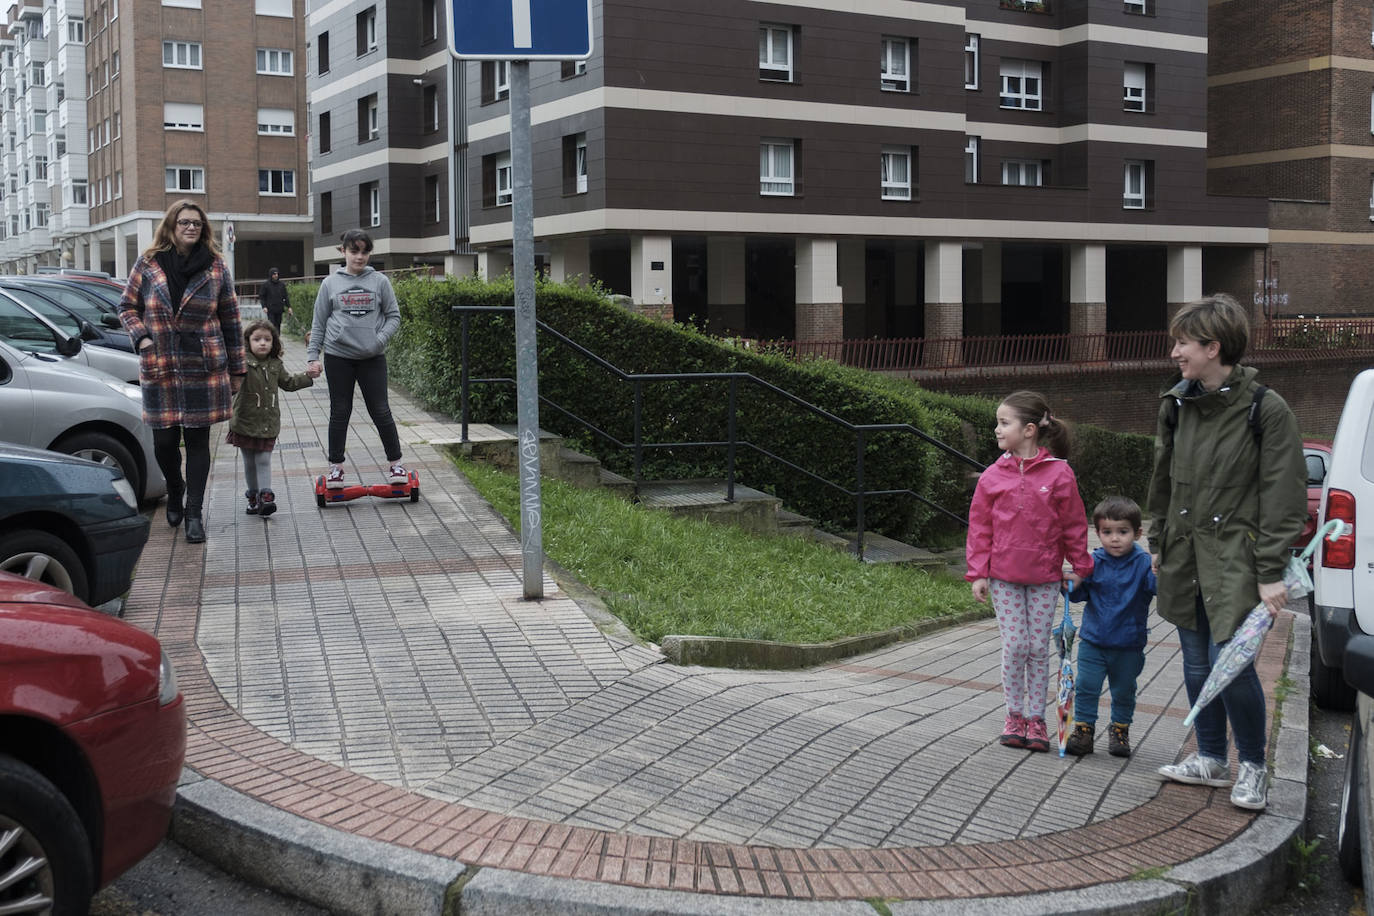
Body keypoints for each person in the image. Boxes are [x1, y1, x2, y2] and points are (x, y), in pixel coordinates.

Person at [1147, 292, 1306, 811]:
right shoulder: (1177, 403)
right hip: (1185, 554)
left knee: (1230, 665)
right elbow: (1163, 480)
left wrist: (1269, 572)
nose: (1175, 352)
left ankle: (1254, 767)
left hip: (1237, 559)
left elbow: (1283, 497)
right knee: (1196, 666)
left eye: (1183, 343)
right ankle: (1211, 759)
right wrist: (1156, 542)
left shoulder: (1266, 409)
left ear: (1213, 347)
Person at [966, 390, 1094, 753]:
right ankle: (1014, 715)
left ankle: (1036, 719)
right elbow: (979, 528)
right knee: (1016, 645)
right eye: (998, 422)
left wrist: (1080, 566)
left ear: (1030, 430)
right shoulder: (992, 475)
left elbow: (1073, 524)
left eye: (1004, 422)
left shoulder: (1059, 473)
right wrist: (978, 572)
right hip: (1003, 577)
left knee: (1039, 647)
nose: (996, 429)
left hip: (1045, 578)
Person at [119, 199, 245, 544]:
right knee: (163, 442)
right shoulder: (148, 264)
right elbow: (127, 306)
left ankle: (194, 512)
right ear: (171, 226)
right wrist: (142, 338)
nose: (191, 228)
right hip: (160, 364)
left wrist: (238, 370)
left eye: (197, 224)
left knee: (198, 440)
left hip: (202, 364)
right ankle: (175, 488)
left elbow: (232, 321)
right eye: (184, 222)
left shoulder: (216, 267)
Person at [305, 229, 406, 488]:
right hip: (338, 357)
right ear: (343, 252)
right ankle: (336, 468)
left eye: (364, 251)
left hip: (372, 358)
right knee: (340, 411)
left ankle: (396, 465)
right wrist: (312, 357)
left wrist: (379, 340)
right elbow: (319, 323)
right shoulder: (330, 284)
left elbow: (394, 316)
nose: (359, 257)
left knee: (381, 411)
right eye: (354, 251)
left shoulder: (380, 281)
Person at [1064, 495, 1156, 758]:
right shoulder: (1093, 562)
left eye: (1123, 532)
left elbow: (1157, 588)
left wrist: (1162, 572)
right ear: (1098, 533)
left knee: (1124, 689)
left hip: (1129, 643)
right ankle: (1083, 730)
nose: (1115, 538)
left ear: (1138, 533)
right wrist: (1072, 585)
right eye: (1108, 532)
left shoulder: (1143, 564)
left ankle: (1120, 730)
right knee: (1086, 685)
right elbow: (1080, 595)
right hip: (1094, 640)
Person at [227, 319, 314, 517]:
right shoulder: (241, 364)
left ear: (274, 342)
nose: (262, 343)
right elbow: (230, 386)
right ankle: (253, 496)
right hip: (244, 421)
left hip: (267, 422)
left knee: (264, 459)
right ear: (247, 341)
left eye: (267, 339)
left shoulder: (276, 364)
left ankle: (266, 496)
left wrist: (308, 377)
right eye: (257, 339)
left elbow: (289, 383)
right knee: (249, 461)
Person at [259, 267, 292, 332]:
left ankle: (277, 339)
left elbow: (285, 296)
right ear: (271, 275)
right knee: (272, 325)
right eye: (274, 274)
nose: (276, 275)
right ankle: (272, 339)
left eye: (277, 274)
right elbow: (262, 297)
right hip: (270, 309)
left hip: (279, 308)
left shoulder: (281, 285)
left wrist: (289, 307)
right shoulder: (266, 285)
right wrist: (264, 306)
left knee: (278, 325)